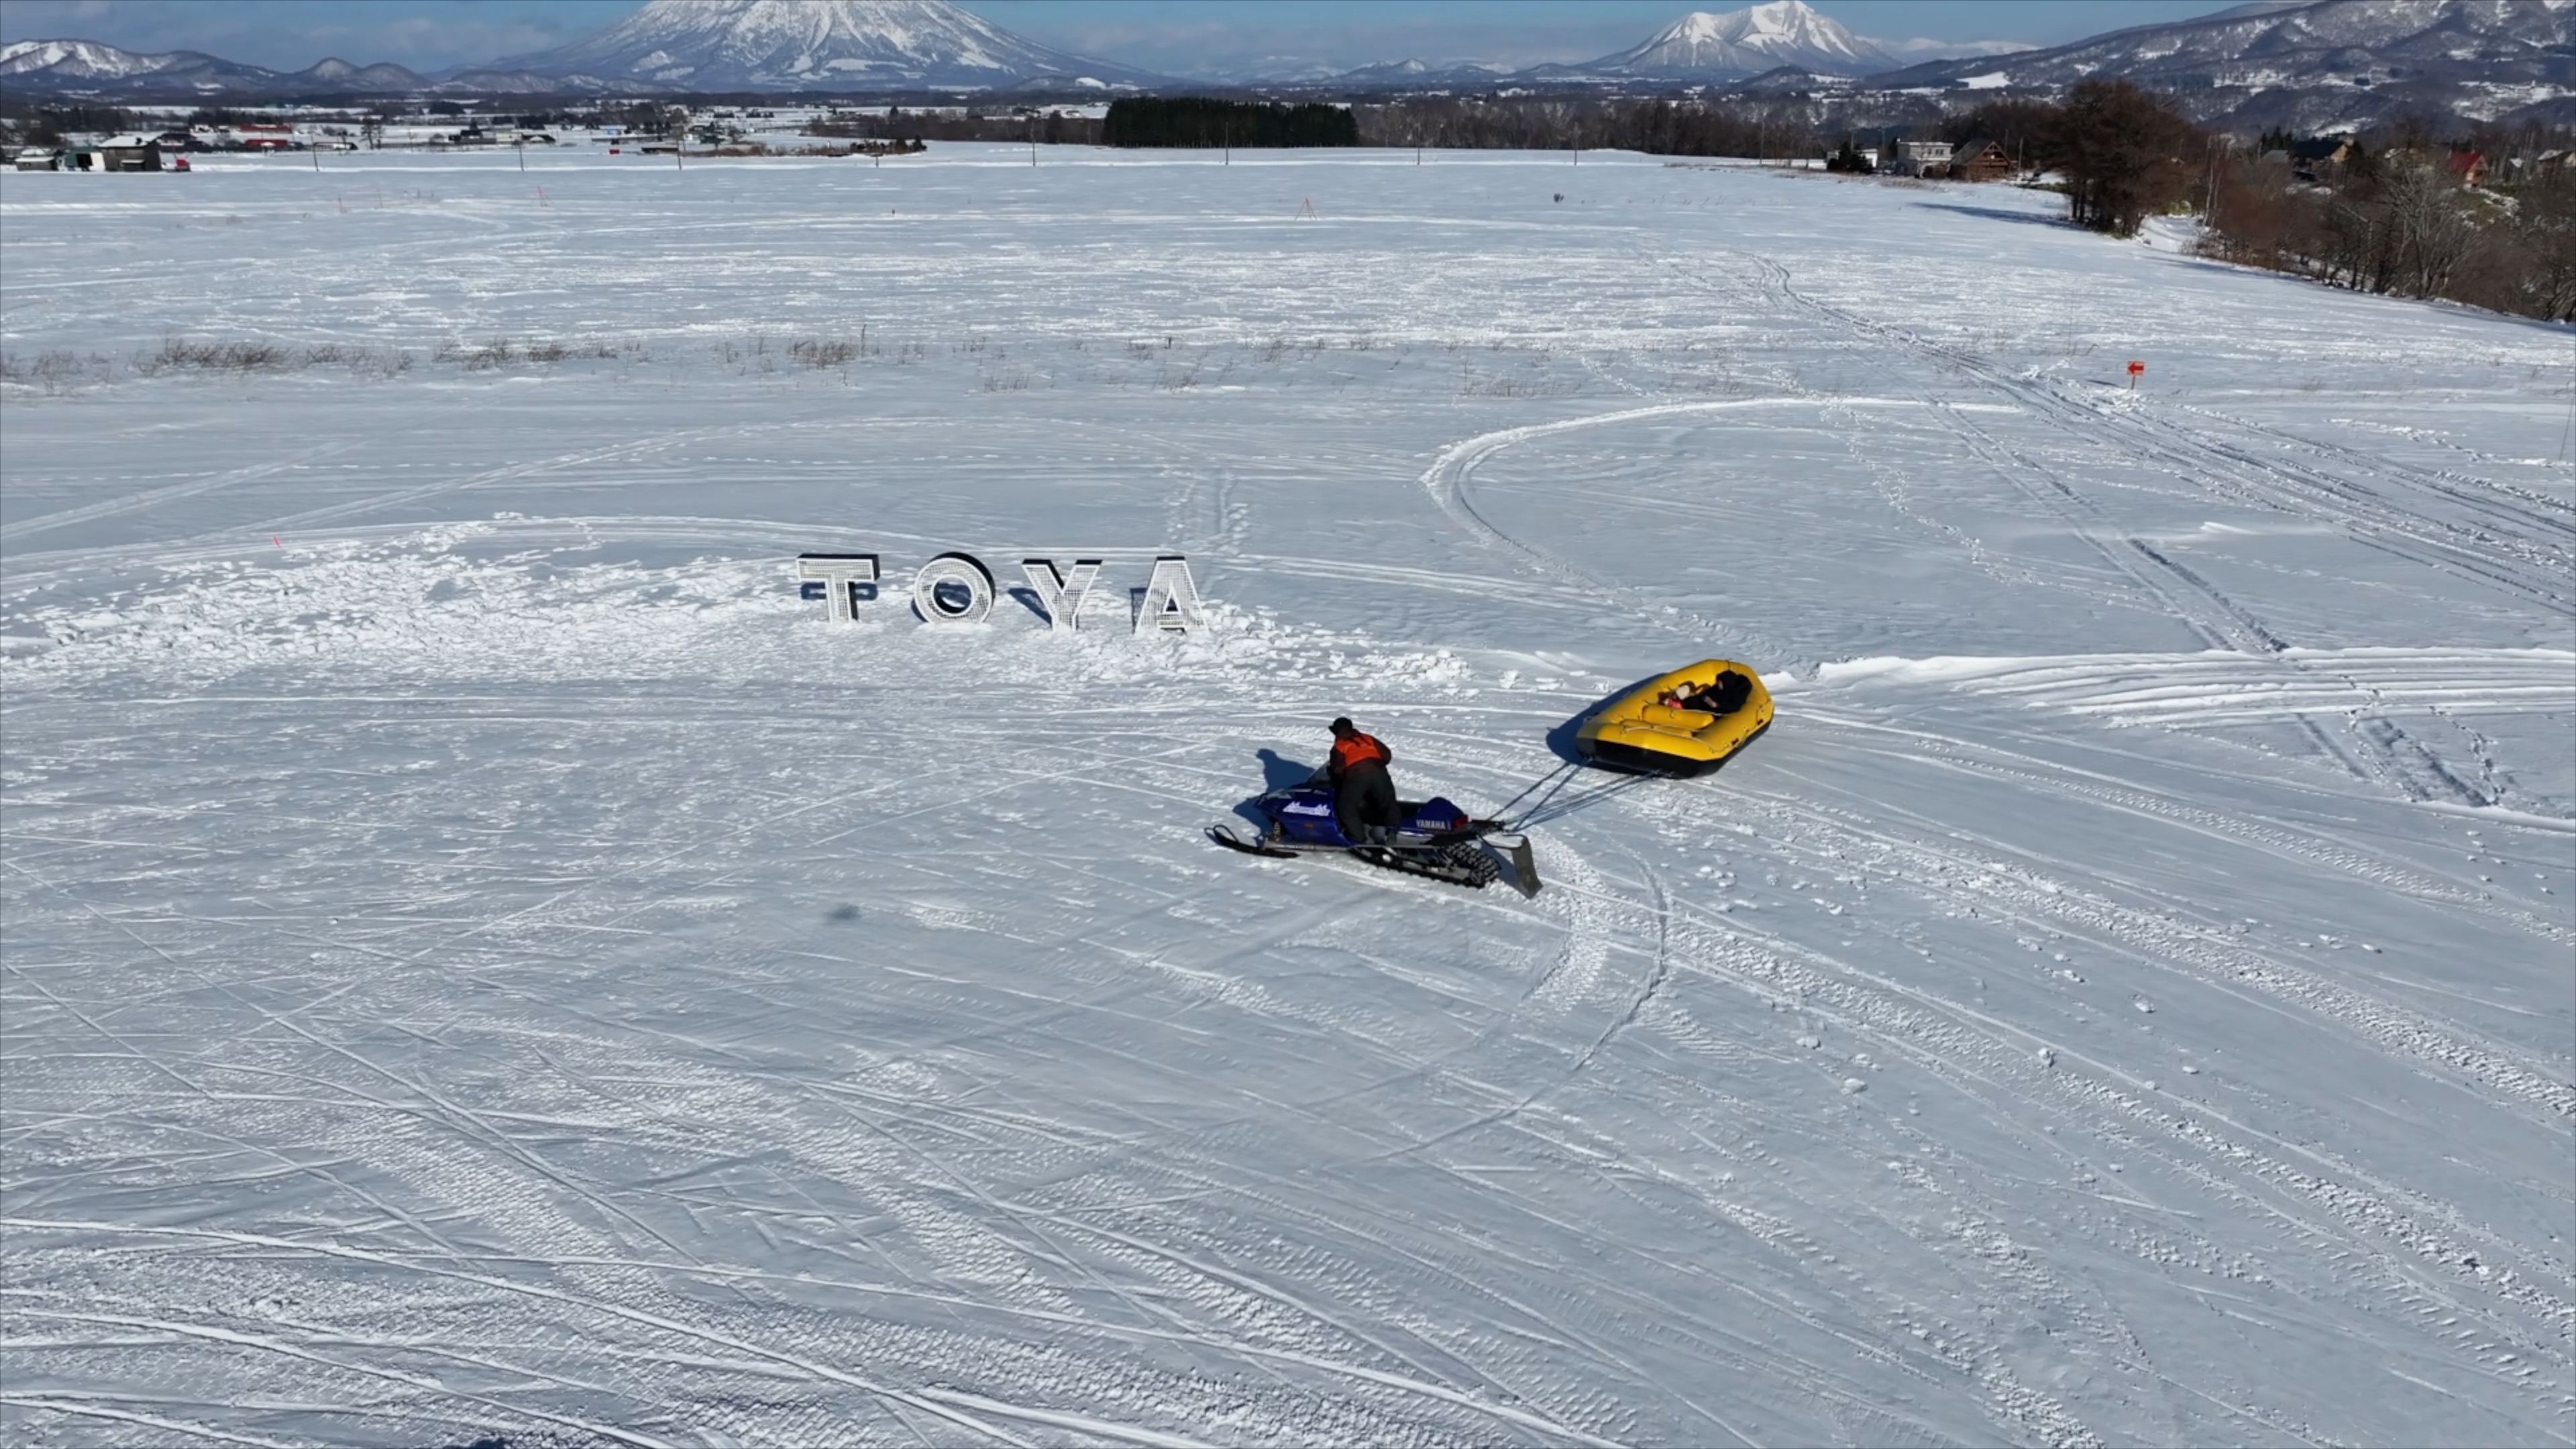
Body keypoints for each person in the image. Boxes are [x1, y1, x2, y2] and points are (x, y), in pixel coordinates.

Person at [1326, 716, 1399, 847]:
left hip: (1357, 776)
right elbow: (1386, 755)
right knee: (1388, 802)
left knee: (1347, 808)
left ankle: (1359, 839)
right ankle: (1392, 832)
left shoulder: (1339, 746)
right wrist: (1376, 765)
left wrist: (1342, 778)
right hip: (1380, 774)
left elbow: (1337, 769)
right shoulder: (1368, 738)